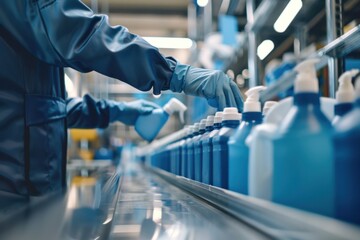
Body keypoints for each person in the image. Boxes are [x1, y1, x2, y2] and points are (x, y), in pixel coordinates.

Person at [0, 0, 243, 196]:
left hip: (27, 182)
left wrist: (120, 111)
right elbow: (83, 34)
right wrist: (170, 73)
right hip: (11, 187)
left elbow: (51, 107)